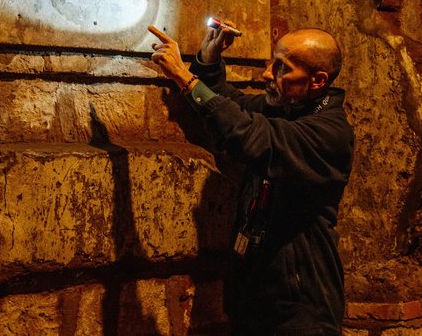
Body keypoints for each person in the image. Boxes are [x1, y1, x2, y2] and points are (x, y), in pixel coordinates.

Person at [149, 21, 354, 335]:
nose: (267, 74)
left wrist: (184, 78)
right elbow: (228, 104)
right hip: (256, 298)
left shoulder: (329, 134)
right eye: (272, 62)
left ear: (317, 81)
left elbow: (246, 134)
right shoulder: (288, 109)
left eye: (282, 68)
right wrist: (208, 58)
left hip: (300, 310)